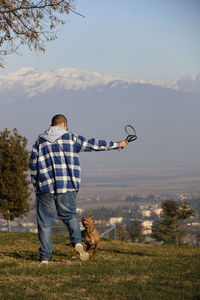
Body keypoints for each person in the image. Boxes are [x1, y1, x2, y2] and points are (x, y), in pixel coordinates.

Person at [29, 114, 128, 263]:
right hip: (67, 186)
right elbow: (93, 144)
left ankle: (45, 258)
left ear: (52, 125)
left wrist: (37, 185)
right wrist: (117, 144)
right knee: (69, 217)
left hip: (45, 188)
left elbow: (32, 166)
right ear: (64, 124)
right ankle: (77, 242)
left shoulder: (39, 142)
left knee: (44, 224)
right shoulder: (71, 138)